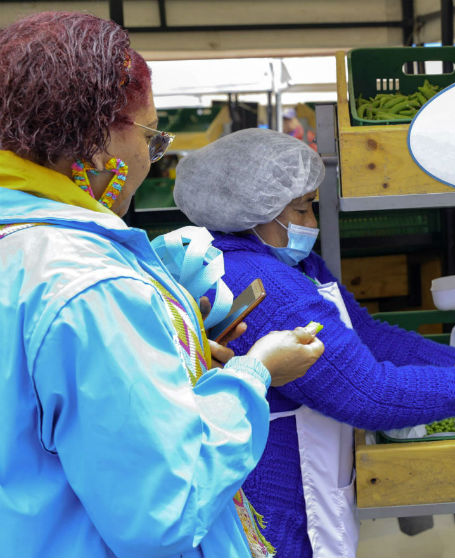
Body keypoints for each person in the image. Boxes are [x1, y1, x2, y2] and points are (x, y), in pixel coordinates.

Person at [0, 12, 324, 558]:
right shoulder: (92, 286)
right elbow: (164, 511)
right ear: (97, 135)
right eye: (151, 137)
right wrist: (254, 373)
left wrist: (171, 366)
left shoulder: (20, 245)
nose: (150, 162)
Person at [172, 127, 455, 558]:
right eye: (300, 210)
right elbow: (366, 392)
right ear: (253, 212)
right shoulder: (274, 290)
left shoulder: (270, 261)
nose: (312, 224)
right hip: (278, 493)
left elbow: (365, 333)